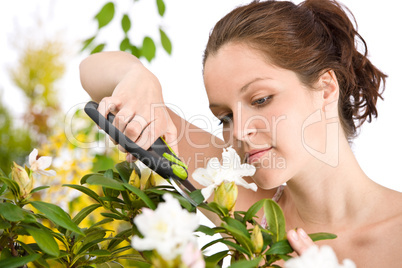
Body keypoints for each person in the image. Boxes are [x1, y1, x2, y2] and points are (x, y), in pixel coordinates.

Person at [79, 0, 402, 266]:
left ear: (326, 87)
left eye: (261, 99)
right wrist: (140, 77)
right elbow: (92, 71)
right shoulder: (241, 204)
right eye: (225, 116)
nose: (241, 131)